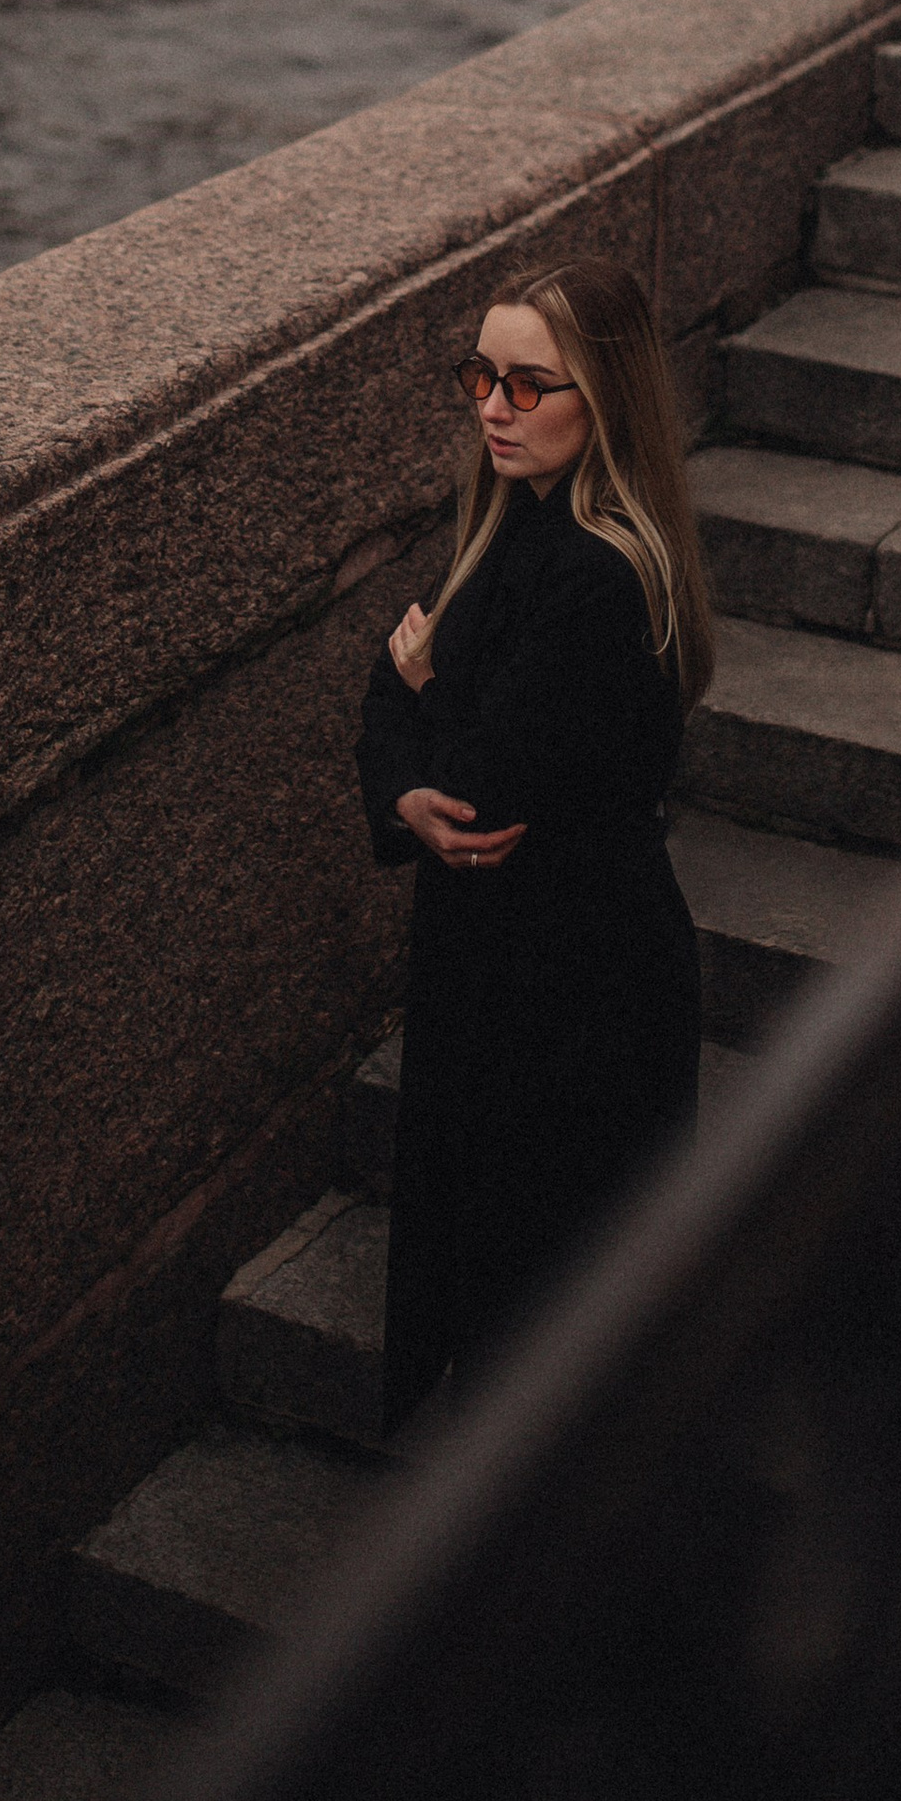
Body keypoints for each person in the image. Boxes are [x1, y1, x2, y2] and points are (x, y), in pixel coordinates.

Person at [358, 256, 715, 1431]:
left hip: (572, 987)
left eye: (528, 385)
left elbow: (468, 790)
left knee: (548, 1307)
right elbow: (422, 760)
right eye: (479, 378)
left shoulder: (593, 576)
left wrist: (412, 704)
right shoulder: (516, 527)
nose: (493, 410)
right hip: (519, 963)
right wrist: (408, 746)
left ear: (602, 397)